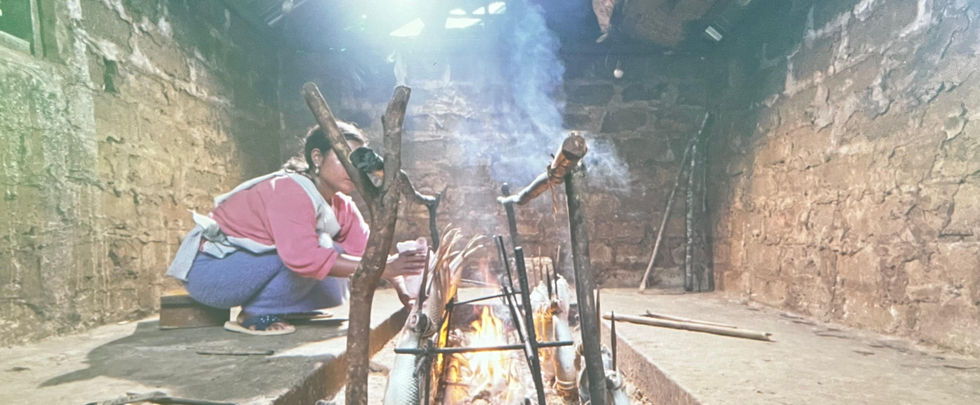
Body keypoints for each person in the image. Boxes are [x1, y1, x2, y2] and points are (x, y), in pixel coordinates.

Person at [165, 121, 426, 335]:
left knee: (335, 283)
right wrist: (385, 268)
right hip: (211, 272)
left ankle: (281, 305)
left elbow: (369, 253)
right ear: (317, 157)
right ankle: (255, 314)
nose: (352, 168)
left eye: (356, 161)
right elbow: (303, 257)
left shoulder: (341, 205)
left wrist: (404, 289)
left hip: (249, 266)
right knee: (318, 249)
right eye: (343, 157)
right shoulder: (290, 190)